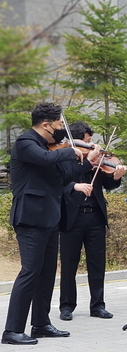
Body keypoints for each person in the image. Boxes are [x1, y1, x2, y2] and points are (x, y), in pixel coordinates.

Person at [2, 103, 98, 345]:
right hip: (30, 218)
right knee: (30, 272)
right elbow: (46, 159)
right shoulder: (26, 143)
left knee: (46, 274)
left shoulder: (49, 147)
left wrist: (89, 161)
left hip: (49, 218)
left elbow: (64, 177)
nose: (61, 130)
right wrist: (71, 150)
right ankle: (12, 330)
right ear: (46, 125)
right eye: (58, 124)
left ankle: (41, 324)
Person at [58, 122, 126, 321]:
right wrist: (86, 162)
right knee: (69, 264)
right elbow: (59, 183)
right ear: (77, 141)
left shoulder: (98, 159)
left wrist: (116, 177)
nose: (92, 145)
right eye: (88, 141)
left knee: (97, 263)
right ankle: (66, 306)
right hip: (71, 216)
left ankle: (98, 305)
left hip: (95, 215)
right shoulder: (64, 156)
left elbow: (107, 183)